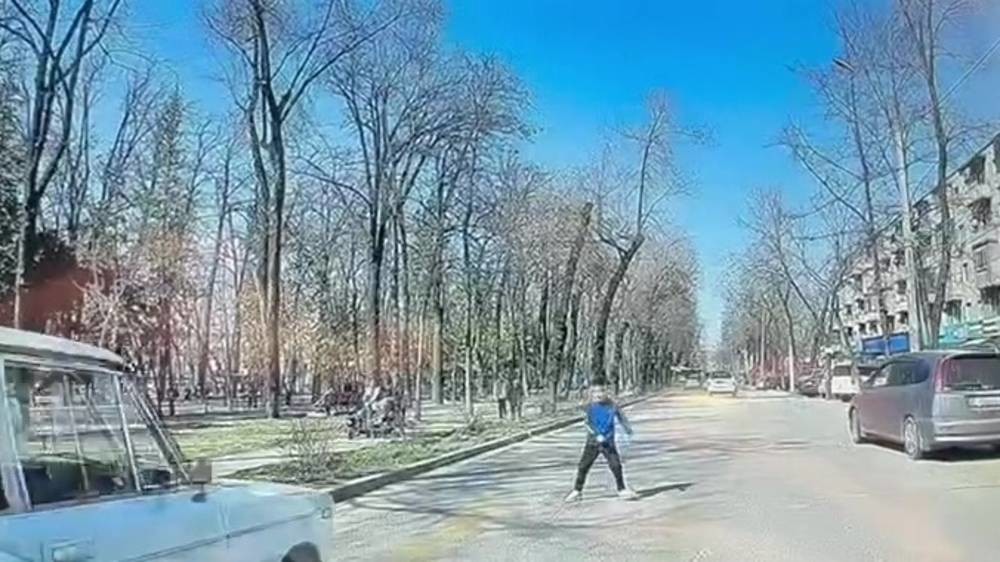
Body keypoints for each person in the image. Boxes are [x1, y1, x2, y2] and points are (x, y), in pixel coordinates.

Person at [565, 380, 638, 502]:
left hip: (608, 442)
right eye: (595, 392)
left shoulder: (612, 406)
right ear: (592, 393)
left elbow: (621, 417)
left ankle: (622, 489)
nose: (599, 394)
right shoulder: (590, 407)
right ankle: (577, 491)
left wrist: (627, 429)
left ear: (606, 391)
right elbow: (588, 424)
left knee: (616, 465)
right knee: (583, 466)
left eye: (601, 391)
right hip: (593, 442)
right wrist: (597, 435)